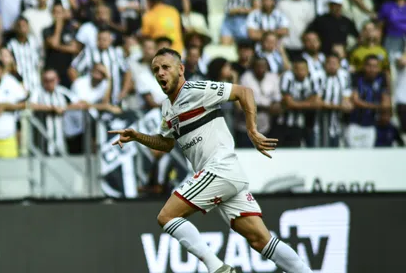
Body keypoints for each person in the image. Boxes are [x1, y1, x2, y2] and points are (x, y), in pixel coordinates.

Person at [109, 48, 311, 273]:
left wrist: (252, 130)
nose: (160, 73)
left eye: (166, 67)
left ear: (181, 69)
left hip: (220, 168)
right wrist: (138, 136)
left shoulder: (196, 89)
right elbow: (166, 144)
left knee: (166, 216)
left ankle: (217, 268)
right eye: (156, 69)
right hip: (225, 176)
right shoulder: (167, 107)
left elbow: (244, 92)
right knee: (260, 240)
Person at [347, 55, 391, 148]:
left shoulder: (381, 78)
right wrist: (377, 106)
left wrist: (370, 105)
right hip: (354, 125)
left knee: (368, 156)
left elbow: (386, 103)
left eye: (375, 66)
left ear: (379, 68)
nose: (372, 69)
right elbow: (355, 100)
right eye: (369, 66)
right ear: (364, 66)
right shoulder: (356, 77)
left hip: (371, 126)